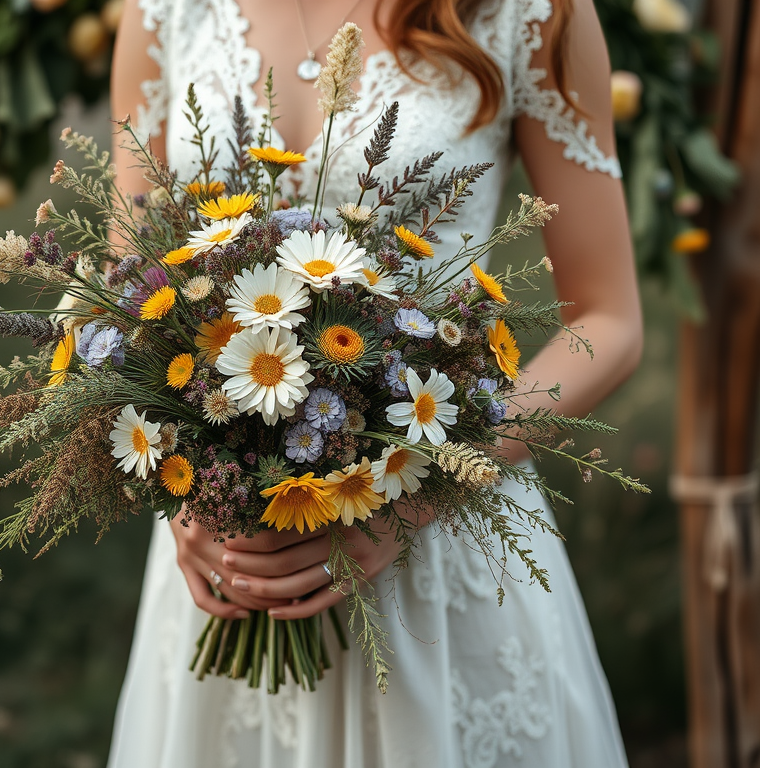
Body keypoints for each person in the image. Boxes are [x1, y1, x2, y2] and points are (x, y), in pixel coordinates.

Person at [106, 0, 643, 765]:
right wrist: (181, 488)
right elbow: (131, 286)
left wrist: (420, 494)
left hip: (439, 558)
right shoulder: (163, 11)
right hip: (227, 562)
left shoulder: (526, 11)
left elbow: (610, 319)